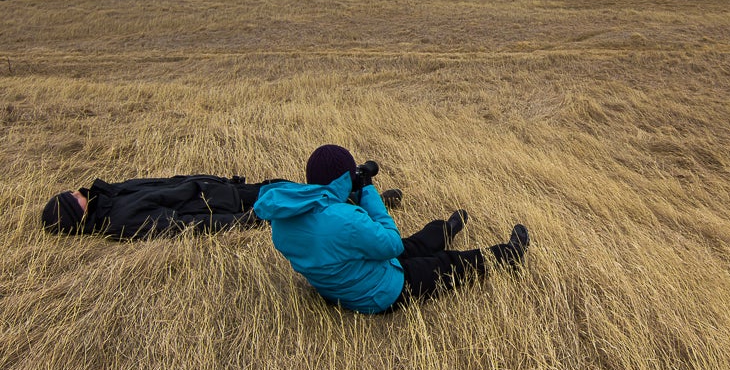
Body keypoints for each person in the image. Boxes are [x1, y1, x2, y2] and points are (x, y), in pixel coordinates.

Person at [254, 144, 530, 314]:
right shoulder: (346, 219)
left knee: (416, 245)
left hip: (340, 281)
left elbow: (331, 238)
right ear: (343, 181)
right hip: (380, 293)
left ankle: (446, 229)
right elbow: (392, 244)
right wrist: (369, 192)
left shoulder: (283, 216)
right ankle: (510, 254)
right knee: (447, 264)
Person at [41, 173, 404, 241]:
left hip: (219, 191)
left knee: (283, 188)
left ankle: (355, 196)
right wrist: (243, 220)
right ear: (75, 213)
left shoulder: (109, 198)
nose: (75, 192)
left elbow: (168, 184)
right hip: (220, 205)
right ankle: (364, 200)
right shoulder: (118, 220)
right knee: (289, 202)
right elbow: (181, 224)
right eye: (70, 199)